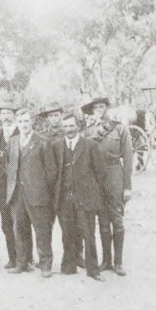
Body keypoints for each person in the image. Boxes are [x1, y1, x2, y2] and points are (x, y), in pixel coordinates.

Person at [6, 108, 61, 277]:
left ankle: (45, 265)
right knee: (19, 229)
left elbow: (51, 171)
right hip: (17, 194)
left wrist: (42, 190)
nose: (23, 125)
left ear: (32, 123)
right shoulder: (13, 141)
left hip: (37, 194)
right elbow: (10, 165)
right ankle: (22, 263)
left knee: (42, 230)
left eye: (26, 121)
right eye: (20, 121)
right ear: (17, 123)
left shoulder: (43, 142)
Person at [83, 96, 132, 276]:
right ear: (92, 110)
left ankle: (118, 262)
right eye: (95, 107)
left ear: (106, 108)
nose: (99, 110)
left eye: (102, 106)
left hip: (114, 175)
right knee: (102, 220)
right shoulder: (88, 132)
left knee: (117, 219)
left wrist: (127, 186)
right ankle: (106, 261)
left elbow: (127, 159)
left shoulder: (119, 128)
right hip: (97, 178)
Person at [57, 114, 105, 280]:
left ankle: (93, 270)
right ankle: (69, 266)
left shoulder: (90, 145)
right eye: (66, 127)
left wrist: (93, 195)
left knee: (88, 234)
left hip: (85, 198)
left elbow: (100, 174)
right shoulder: (58, 146)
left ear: (78, 126)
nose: (69, 129)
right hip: (65, 199)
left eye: (71, 126)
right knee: (67, 233)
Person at [0, 101, 20, 270]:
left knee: (21, 223)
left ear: (14, 115)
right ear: (0, 116)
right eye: (3, 113)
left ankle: (26, 258)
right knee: (6, 224)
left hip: (19, 187)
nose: (6, 116)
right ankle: (13, 258)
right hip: (1, 188)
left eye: (9, 113)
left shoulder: (21, 131)